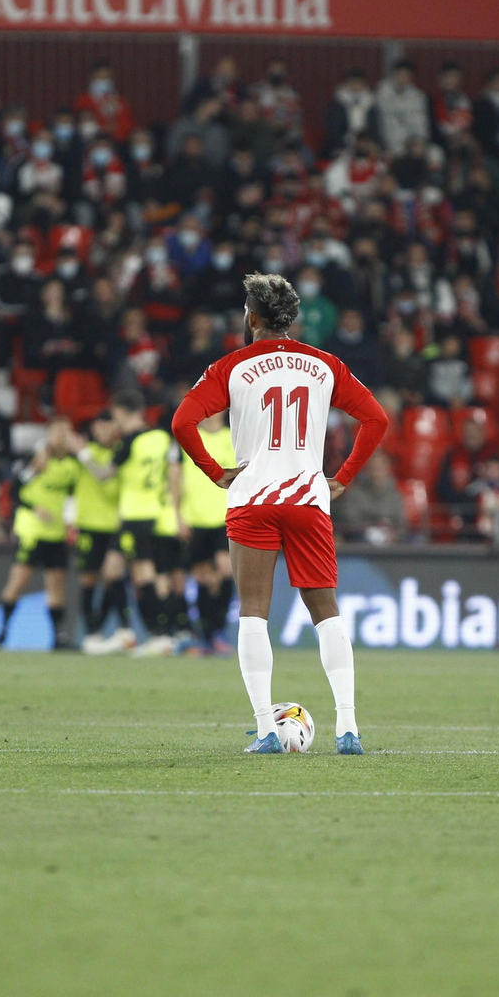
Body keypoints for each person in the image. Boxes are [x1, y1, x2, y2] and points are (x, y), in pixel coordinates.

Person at [170, 273, 388, 755]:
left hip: (253, 497)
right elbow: (377, 418)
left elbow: (182, 421)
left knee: (253, 613)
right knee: (326, 613)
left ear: (251, 317)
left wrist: (214, 472)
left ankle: (267, 732)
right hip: (309, 498)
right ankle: (347, 729)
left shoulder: (230, 366)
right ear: (292, 318)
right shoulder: (325, 364)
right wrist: (343, 477)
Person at [76, 389, 182, 658]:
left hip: (135, 515)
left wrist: (82, 453)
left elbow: (102, 474)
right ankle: (126, 632)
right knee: (111, 571)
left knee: (143, 575)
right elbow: (172, 471)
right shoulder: (161, 436)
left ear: (123, 412)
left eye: (116, 417)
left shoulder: (130, 441)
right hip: (149, 513)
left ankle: (160, 636)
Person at [0, 417, 82, 650]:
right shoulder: (36, 458)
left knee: (57, 584)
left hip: (56, 533)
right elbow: (15, 491)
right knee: (18, 583)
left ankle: (57, 637)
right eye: (58, 432)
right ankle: (2, 631)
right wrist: (34, 507)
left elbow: (70, 496)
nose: (62, 437)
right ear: (49, 434)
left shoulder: (72, 465)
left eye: (66, 433)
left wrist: (70, 523)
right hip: (32, 531)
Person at [178, 409, 236, 653]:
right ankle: (207, 634)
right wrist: (177, 514)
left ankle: (218, 629)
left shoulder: (234, 438)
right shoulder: (190, 439)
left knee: (226, 570)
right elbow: (176, 477)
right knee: (203, 577)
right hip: (196, 517)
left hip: (226, 517)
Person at [72, 413, 129, 652]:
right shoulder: (80, 454)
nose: (105, 431)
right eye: (100, 426)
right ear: (94, 429)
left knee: (112, 577)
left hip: (115, 525)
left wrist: (82, 453)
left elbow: (105, 478)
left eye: (109, 426)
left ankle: (115, 630)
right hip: (89, 525)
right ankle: (92, 634)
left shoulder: (121, 453)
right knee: (89, 579)